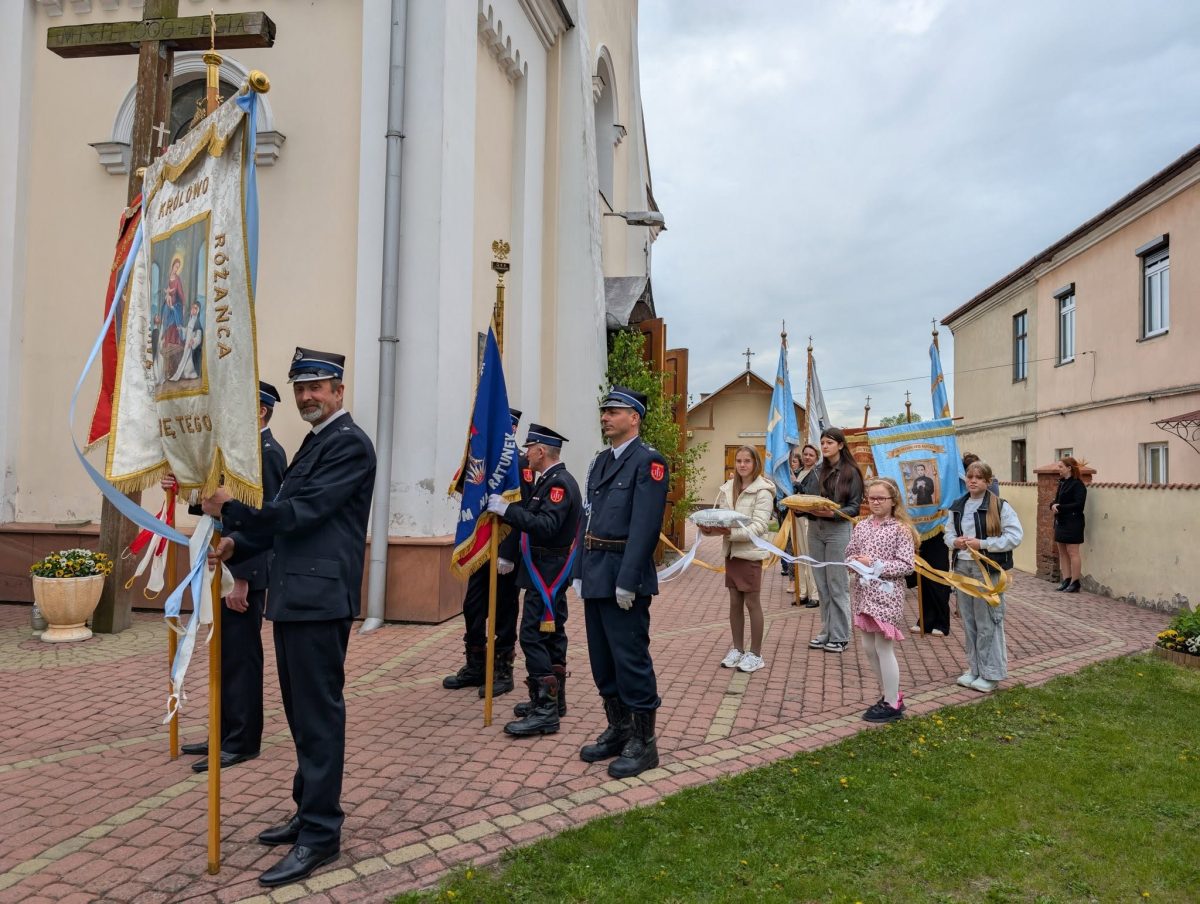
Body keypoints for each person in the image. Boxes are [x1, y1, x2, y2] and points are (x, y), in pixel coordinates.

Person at [202, 347, 376, 888]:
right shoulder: (316, 442)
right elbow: (281, 515)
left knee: (319, 717)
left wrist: (231, 508)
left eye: (316, 387)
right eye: (300, 388)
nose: (306, 396)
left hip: (320, 601)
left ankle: (321, 834)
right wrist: (235, 540)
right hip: (297, 598)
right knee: (301, 715)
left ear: (339, 391)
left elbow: (301, 513)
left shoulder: (349, 445)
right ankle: (308, 809)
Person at [181, 381, 288, 774]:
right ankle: (221, 732)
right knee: (222, 654)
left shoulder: (268, 454)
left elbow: (267, 522)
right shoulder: (238, 453)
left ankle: (242, 740)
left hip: (242, 570)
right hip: (220, 564)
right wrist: (187, 494)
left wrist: (242, 577)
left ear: (261, 411)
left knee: (241, 658)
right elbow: (221, 507)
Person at [571, 386, 669, 779]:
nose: (605, 417)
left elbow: (645, 527)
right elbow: (587, 518)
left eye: (613, 411)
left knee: (630, 658)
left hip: (623, 575)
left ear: (634, 418)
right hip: (595, 570)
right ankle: (619, 727)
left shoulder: (648, 462)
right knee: (602, 659)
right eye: (604, 411)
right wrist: (578, 569)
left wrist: (628, 580)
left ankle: (644, 744)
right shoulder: (599, 462)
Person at [486, 423, 582, 736]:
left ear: (541, 451)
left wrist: (506, 510)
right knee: (551, 636)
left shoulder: (559, 485)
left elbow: (545, 526)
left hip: (547, 573)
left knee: (532, 636)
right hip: (544, 569)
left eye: (529, 448)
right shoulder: (549, 481)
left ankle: (545, 710)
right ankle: (554, 701)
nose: (525, 453)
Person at [443, 408, 530, 697]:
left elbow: (519, 513)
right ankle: (476, 664)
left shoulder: (518, 464)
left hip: (505, 553)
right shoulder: (480, 461)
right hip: (481, 547)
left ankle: (503, 670)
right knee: (473, 605)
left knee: (504, 610)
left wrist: (507, 552)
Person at [944, 460, 1022, 694]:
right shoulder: (958, 505)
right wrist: (955, 542)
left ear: (988, 481)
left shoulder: (999, 506)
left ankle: (992, 673)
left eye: (978, 477)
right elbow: (947, 533)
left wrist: (983, 544)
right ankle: (975, 669)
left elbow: (1015, 536)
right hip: (962, 569)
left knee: (988, 621)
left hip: (987, 570)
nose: (973, 480)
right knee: (969, 621)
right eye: (969, 476)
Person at [846, 478, 917, 722]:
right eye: (871, 498)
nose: (875, 503)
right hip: (864, 593)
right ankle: (890, 692)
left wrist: (876, 565)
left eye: (881, 498)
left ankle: (892, 702)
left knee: (883, 647)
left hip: (887, 594)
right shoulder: (861, 526)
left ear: (892, 501)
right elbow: (850, 551)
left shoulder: (900, 529)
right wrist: (853, 561)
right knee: (868, 647)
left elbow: (907, 565)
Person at [703, 445, 774, 673]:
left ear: (756, 464)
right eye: (739, 461)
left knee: (752, 603)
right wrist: (709, 529)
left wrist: (730, 534)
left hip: (750, 554)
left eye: (747, 461)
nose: (742, 465)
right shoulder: (727, 488)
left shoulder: (763, 491)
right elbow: (723, 519)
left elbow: (760, 526)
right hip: (732, 553)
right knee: (734, 602)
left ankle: (755, 653)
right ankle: (737, 649)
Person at [798, 427, 864, 654]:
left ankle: (840, 635)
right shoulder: (816, 471)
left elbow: (854, 507)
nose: (825, 446)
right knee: (822, 584)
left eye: (829, 442)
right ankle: (826, 631)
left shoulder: (851, 472)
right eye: (823, 442)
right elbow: (808, 500)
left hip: (838, 530)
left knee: (837, 584)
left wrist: (833, 513)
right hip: (815, 529)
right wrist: (799, 506)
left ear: (841, 445)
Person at [790, 444, 822, 608]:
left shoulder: (817, 473)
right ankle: (802, 592)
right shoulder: (798, 472)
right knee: (800, 555)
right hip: (796, 517)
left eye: (811, 455)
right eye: (805, 454)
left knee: (810, 557)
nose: (808, 457)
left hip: (809, 518)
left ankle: (815, 595)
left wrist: (797, 485)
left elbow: (812, 495)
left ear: (816, 457)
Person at [1051, 456, 1087, 593]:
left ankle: (1075, 582)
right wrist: (1052, 505)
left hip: (1073, 522)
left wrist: (1060, 507)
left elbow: (1079, 505)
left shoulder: (1078, 484)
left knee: (1073, 552)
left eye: (1061, 467)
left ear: (1069, 468)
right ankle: (1066, 579)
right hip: (1061, 521)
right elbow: (1056, 500)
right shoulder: (1062, 483)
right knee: (1062, 552)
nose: (1058, 469)